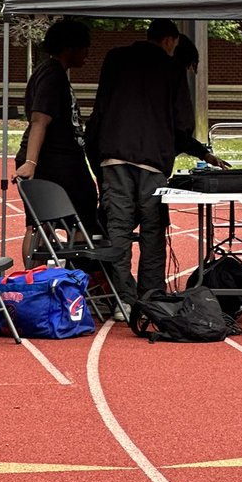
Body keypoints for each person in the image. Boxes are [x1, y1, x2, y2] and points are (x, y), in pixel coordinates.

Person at [88, 18, 228, 315]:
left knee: (119, 231)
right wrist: (193, 151)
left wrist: (97, 160)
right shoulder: (172, 67)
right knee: (152, 230)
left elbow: (99, 110)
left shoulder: (114, 58)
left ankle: (122, 299)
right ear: (170, 40)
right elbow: (182, 125)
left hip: (113, 157)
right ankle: (151, 295)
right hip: (152, 163)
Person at [13, 18, 99, 266]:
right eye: (84, 47)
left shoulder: (52, 72)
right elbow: (39, 120)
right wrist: (30, 163)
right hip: (54, 162)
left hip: (62, 161)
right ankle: (76, 280)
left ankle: (44, 282)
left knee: (41, 224)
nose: (87, 54)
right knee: (68, 220)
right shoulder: (52, 75)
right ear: (69, 47)